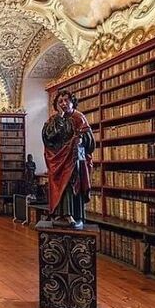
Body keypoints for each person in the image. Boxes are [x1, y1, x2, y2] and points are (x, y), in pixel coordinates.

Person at [41, 90, 95, 228]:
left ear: (72, 101)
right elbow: (48, 137)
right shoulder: (53, 120)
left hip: (74, 159)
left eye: (66, 100)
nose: (63, 103)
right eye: (60, 101)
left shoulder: (79, 117)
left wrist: (81, 140)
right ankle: (60, 214)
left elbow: (90, 141)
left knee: (72, 184)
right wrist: (60, 118)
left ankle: (73, 215)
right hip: (58, 158)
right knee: (60, 185)